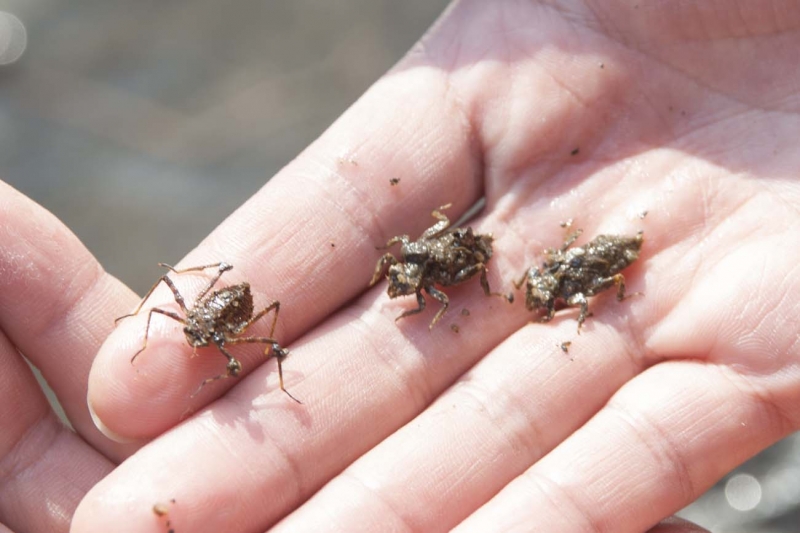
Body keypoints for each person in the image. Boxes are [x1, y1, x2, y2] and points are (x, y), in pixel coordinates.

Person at [2, 1, 798, 532]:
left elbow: (413, 280)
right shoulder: (200, 324)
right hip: (265, 299)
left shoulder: (400, 280)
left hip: (409, 270)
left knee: (292, 331)